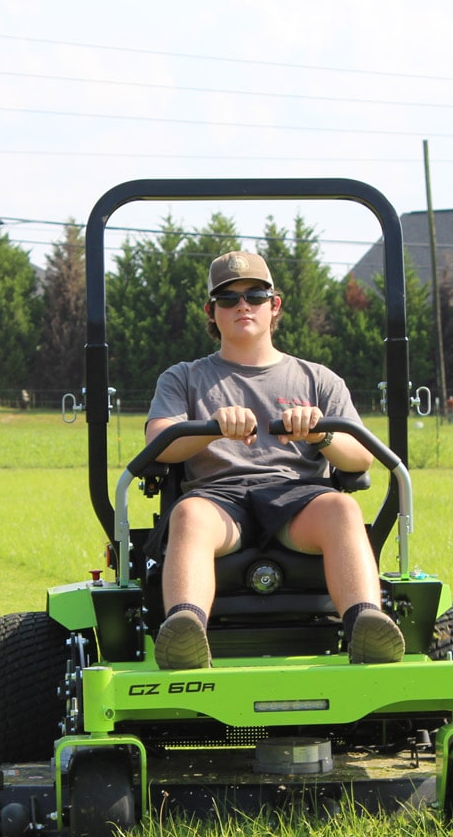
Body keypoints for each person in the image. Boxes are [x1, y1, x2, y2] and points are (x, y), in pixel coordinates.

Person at [143, 250, 405, 670]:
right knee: (188, 515)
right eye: (228, 299)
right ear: (212, 312)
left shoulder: (317, 379)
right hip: (218, 499)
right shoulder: (185, 378)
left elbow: (360, 459)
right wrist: (210, 427)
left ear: (274, 305)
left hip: (297, 499)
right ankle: (184, 632)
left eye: (255, 295)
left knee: (341, 506)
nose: (242, 305)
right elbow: (158, 442)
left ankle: (365, 625)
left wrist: (322, 434)